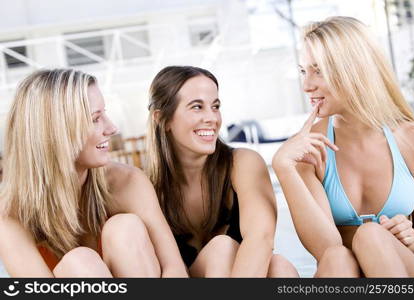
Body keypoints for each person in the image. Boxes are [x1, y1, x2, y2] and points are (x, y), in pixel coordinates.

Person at [0, 69, 188, 277]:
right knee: (79, 262)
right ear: (58, 132)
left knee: (124, 228)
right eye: (95, 119)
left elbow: (175, 268)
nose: (112, 128)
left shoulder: (127, 182)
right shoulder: (10, 212)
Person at [272, 16, 414, 277]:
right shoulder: (309, 149)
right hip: (344, 274)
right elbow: (326, 248)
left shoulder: (409, 137)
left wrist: (413, 237)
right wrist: (284, 167)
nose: (306, 86)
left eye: (319, 70)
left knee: (370, 235)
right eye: (304, 71)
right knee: (339, 257)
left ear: (355, 69)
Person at [146, 65, 298, 277]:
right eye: (197, 107)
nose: (212, 118)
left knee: (280, 268)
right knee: (222, 249)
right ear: (162, 119)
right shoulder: (146, 187)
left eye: (215, 106)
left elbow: (261, 237)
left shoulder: (242, 163)